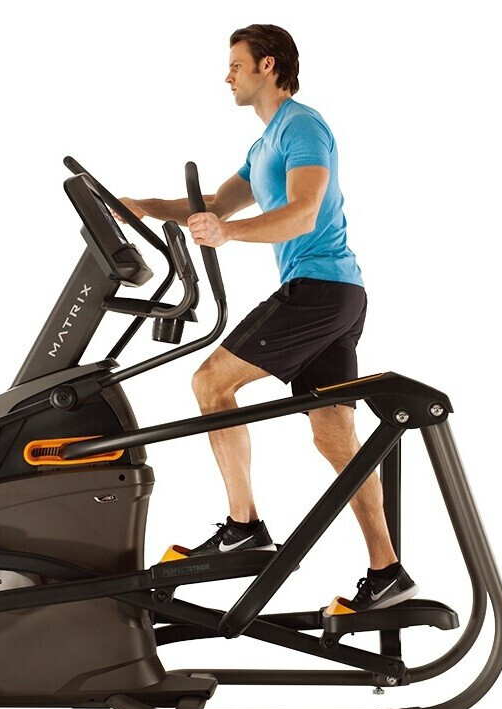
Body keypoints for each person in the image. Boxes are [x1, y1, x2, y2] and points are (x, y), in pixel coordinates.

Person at [119, 24, 417, 612]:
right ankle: (388, 573)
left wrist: (228, 233)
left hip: (320, 289)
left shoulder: (303, 126)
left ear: (268, 65)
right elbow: (212, 204)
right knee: (334, 435)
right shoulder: (263, 147)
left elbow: (304, 213)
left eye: (236, 64)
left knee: (211, 382)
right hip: (335, 295)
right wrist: (146, 207)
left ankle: (243, 527)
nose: (226, 76)